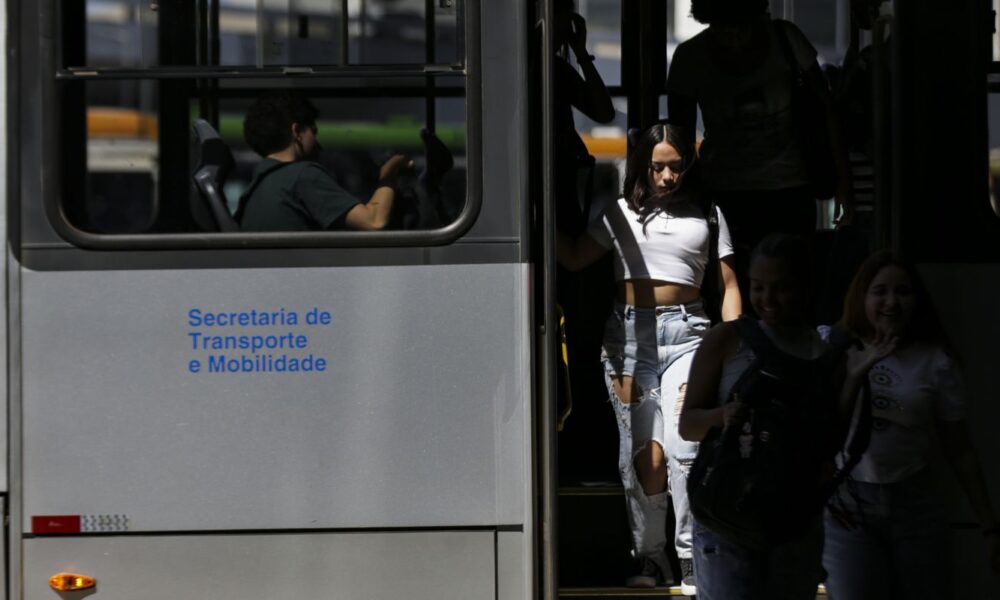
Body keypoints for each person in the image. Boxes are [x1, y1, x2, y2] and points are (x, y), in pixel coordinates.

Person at [558, 121, 741, 593]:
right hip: (626, 340)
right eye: (657, 167)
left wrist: (734, 344)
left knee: (686, 449)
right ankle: (651, 556)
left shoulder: (709, 214)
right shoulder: (620, 212)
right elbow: (575, 257)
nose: (666, 177)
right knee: (646, 457)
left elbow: (729, 285)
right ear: (642, 166)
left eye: (675, 167)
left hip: (689, 336)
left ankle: (691, 556)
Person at [678, 234, 878, 600]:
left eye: (780, 288)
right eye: (758, 287)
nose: (767, 299)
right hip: (728, 516)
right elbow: (688, 425)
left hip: (792, 520)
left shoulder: (824, 352)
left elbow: (830, 444)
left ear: (805, 288)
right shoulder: (728, 339)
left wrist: (852, 379)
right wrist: (723, 415)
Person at [823, 251, 1000, 599]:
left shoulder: (935, 361)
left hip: (914, 503)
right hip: (850, 503)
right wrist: (855, 374)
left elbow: (959, 449)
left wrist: (989, 526)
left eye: (902, 291)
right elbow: (823, 433)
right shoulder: (837, 347)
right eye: (880, 291)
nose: (891, 302)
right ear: (862, 296)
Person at [666, 0, 853, 299]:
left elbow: (827, 110)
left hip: (779, 186)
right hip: (740, 190)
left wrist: (843, 184)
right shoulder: (694, 56)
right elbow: (680, 139)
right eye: (726, 29)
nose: (736, 39)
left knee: (771, 288)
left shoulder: (782, 39)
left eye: (744, 27)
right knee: (754, 288)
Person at [237, 92, 412, 232]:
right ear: (297, 131)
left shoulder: (254, 188)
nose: (318, 146)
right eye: (313, 132)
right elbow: (374, 221)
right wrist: (388, 174)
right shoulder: (302, 176)